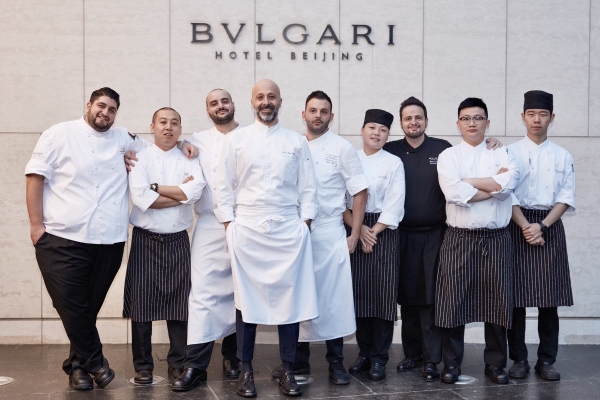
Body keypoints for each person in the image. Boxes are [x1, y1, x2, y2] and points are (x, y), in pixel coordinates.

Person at [25, 87, 196, 390]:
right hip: (63, 237)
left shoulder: (124, 138)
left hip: (109, 241)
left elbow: (160, 144)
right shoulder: (58, 134)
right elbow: (35, 177)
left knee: (86, 309)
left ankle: (77, 368)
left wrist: (183, 144)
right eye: (101, 106)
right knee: (71, 305)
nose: (105, 112)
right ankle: (96, 363)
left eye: (112, 109)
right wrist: (36, 226)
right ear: (89, 105)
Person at [383, 97, 502, 382]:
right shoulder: (390, 151)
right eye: (408, 118)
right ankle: (412, 354)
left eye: (418, 117)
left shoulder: (442, 149)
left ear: (426, 120)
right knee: (406, 297)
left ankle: (431, 358)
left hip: (436, 234)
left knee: (432, 299)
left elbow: (462, 181)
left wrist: (491, 142)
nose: (413, 122)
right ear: (401, 123)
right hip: (401, 235)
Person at [214, 79, 319, 397]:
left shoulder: (296, 141)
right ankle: (246, 371)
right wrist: (229, 227)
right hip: (247, 231)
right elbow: (222, 186)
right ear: (252, 102)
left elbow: (308, 187)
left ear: (280, 101)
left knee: (289, 303)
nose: (266, 102)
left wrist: (304, 225)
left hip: (288, 231)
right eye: (260, 97)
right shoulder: (236, 140)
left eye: (271, 96)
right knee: (246, 304)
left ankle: (288, 369)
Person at [271, 90, 368, 385]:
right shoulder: (291, 144)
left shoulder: (342, 148)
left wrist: (354, 235)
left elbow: (360, 191)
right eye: (313, 111)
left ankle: (335, 362)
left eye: (323, 111)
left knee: (332, 301)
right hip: (295, 232)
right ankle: (295, 362)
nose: (318, 116)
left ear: (331, 116)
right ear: (303, 114)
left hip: (329, 233)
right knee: (296, 298)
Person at [435, 97, 519, 385]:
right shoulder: (448, 156)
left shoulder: (502, 152)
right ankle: (451, 364)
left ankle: (495, 364)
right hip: (459, 237)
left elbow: (508, 186)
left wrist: (469, 181)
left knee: (498, 302)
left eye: (478, 118)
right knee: (453, 302)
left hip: (497, 238)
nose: (472, 123)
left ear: (487, 122)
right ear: (458, 123)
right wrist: (492, 184)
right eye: (466, 118)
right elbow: (454, 194)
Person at [123, 107, 205, 385]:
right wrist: (179, 193)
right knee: (141, 306)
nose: (168, 127)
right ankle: (143, 366)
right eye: (163, 122)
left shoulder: (189, 156)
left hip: (178, 238)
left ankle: (178, 363)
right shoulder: (140, 158)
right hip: (145, 238)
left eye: (174, 123)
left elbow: (195, 192)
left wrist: (156, 188)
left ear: (180, 129)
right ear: (153, 126)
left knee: (180, 306)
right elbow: (141, 198)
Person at [171, 89, 243, 392]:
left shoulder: (251, 136)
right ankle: (196, 366)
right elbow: (166, 143)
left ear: (233, 105)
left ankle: (234, 356)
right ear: (207, 110)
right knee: (202, 294)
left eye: (224, 101)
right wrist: (181, 144)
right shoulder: (197, 140)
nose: (220, 106)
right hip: (210, 223)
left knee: (241, 291)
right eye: (214, 103)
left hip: (244, 223)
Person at [506, 90, 575, 381]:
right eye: (531, 114)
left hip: (549, 224)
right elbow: (505, 193)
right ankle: (519, 359)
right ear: (523, 117)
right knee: (515, 300)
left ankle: (546, 360)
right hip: (516, 223)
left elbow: (565, 197)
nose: (537, 119)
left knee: (549, 300)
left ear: (551, 118)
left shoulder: (562, 155)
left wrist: (542, 226)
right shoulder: (508, 152)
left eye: (543, 114)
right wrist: (526, 226)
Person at [345, 109, 405, 381]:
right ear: (362, 130)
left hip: (384, 231)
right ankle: (364, 353)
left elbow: (395, 203)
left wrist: (372, 232)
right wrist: (359, 230)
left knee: (382, 297)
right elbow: (340, 201)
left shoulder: (394, 163)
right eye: (371, 127)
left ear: (388, 135)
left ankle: (380, 357)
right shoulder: (350, 159)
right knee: (359, 295)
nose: (376, 133)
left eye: (383, 130)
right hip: (353, 228)